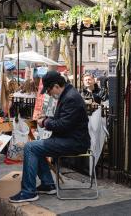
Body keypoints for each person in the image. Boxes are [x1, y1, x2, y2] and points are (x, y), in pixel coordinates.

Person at [9, 71, 90, 203]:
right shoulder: (68, 95)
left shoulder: (70, 98)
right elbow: (65, 120)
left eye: (48, 90)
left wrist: (45, 122)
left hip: (74, 142)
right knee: (36, 147)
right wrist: (46, 118)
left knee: (30, 147)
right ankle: (47, 184)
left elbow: (63, 125)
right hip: (69, 139)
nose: (48, 94)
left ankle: (28, 192)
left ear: (57, 86)